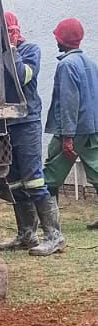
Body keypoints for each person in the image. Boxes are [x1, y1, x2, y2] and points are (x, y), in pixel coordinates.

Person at [35, 17, 98, 251]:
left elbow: (69, 103)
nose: (55, 40)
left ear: (64, 39)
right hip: (92, 128)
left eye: (57, 37)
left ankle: (52, 229)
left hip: (71, 131)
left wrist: (68, 136)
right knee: (97, 171)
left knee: (50, 175)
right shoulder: (90, 63)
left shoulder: (66, 65)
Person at [0, 11, 53, 253]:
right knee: (15, 183)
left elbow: (21, 76)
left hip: (26, 122)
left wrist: (12, 49)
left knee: (34, 180)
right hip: (6, 124)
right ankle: (26, 234)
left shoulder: (29, 50)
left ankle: (53, 235)